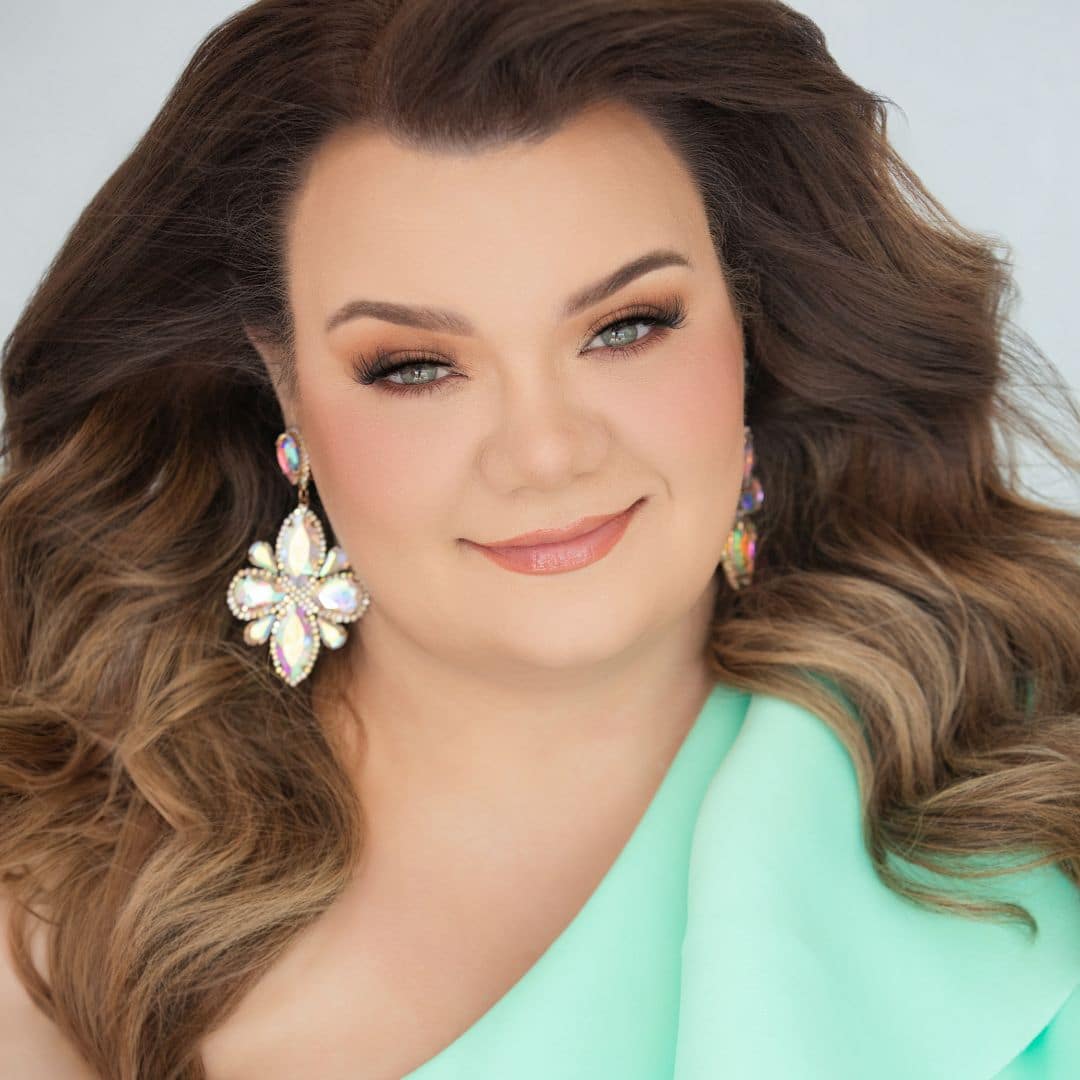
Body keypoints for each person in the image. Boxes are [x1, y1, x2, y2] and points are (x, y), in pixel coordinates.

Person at [1, 0, 1078, 1076]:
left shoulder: (1040, 795)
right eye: (414, 365)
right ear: (283, 387)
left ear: (752, 326)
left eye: (626, 327)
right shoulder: (65, 926)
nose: (545, 452)